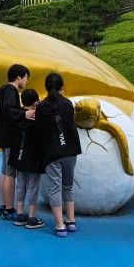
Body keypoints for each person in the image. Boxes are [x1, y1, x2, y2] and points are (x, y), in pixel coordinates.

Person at [36, 72, 82, 237]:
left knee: (54, 189)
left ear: (46, 88)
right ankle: (71, 221)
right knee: (68, 187)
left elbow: (40, 131)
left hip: (52, 153)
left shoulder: (42, 107)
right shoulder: (68, 104)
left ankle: (60, 225)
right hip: (70, 151)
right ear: (62, 86)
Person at [0, 64, 35, 220]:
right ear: (19, 77)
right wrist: (25, 114)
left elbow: (7, 110)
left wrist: (22, 112)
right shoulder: (11, 91)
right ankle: (10, 208)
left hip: (2, 136)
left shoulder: (4, 90)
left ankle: (3, 205)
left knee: (4, 170)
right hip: (9, 137)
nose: (26, 81)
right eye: (26, 77)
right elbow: (9, 111)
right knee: (10, 172)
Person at [10, 88, 45, 229]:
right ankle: (31, 217)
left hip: (19, 156)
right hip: (34, 158)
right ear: (35, 101)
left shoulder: (17, 116)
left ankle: (19, 213)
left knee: (20, 185)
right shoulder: (37, 118)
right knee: (33, 187)